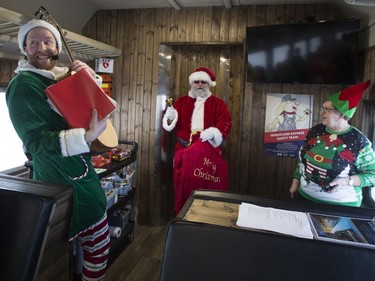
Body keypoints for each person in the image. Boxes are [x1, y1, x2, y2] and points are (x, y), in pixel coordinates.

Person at [6, 19, 112, 280]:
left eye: (47, 41)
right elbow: (36, 142)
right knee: (59, 262)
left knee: (97, 250)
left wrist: (90, 81)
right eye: (33, 43)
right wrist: (85, 137)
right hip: (58, 182)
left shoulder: (63, 77)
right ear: (24, 49)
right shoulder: (23, 85)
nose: (41, 47)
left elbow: (93, 110)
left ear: (57, 47)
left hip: (83, 177)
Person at [289, 80, 375, 207]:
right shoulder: (315, 131)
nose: (321, 112)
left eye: (326, 109)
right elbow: (303, 161)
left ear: (341, 114)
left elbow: (372, 175)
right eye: (322, 108)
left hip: (341, 206)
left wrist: (347, 181)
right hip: (305, 198)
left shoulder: (359, 142)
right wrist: (295, 182)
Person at [162, 67, 232, 213]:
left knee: (206, 187)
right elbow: (171, 126)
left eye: (203, 82)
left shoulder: (218, 104)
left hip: (207, 153)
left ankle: (206, 218)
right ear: (191, 84)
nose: (199, 85)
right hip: (184, 152)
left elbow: (225, 123)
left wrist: (213, 132)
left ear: (208, 84)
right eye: (196, 82)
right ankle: (182, 216)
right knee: (182, 186)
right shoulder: (181, 102)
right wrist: (170, 117)